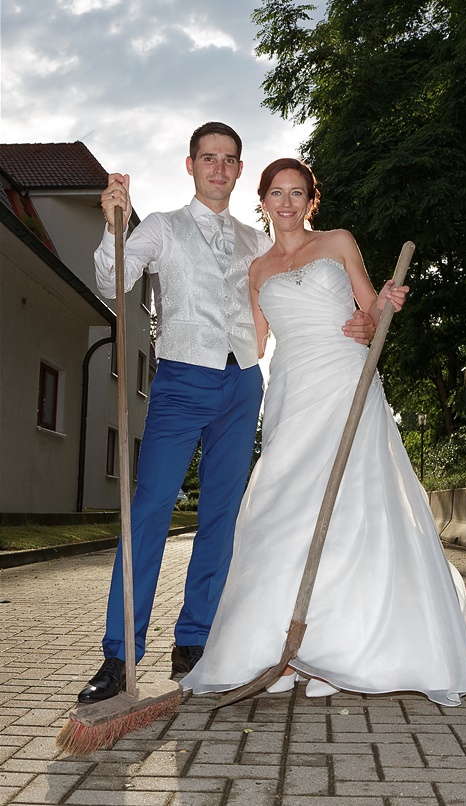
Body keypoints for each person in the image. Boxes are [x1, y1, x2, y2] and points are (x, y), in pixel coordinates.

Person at [181, 158, 466, 706]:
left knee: (354, 507)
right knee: (283, 510)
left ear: (310, 200)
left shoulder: (338, 242)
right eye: (276, 193)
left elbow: (368, 311)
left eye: (296, 193)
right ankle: (277, 650)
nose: (286, 203)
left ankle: (338, 651)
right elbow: (252, 346)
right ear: (264, 200)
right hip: (293, 392)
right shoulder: (256, 271)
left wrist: (378, 312)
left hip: (348, 380)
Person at [78, 127, 375, 703]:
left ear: (241, 172)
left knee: (222, 517)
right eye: (208, 158)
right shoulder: (161, 225)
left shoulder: (253, 242)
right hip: (182, 379)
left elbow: (301, 300)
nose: (219, 167)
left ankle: (194, 639)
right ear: (190, 165)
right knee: (148, 511)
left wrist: (359, 319)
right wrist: (114, 224)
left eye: (230, 160)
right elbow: (112, 281)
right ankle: (120, 654)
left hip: (242, 384)